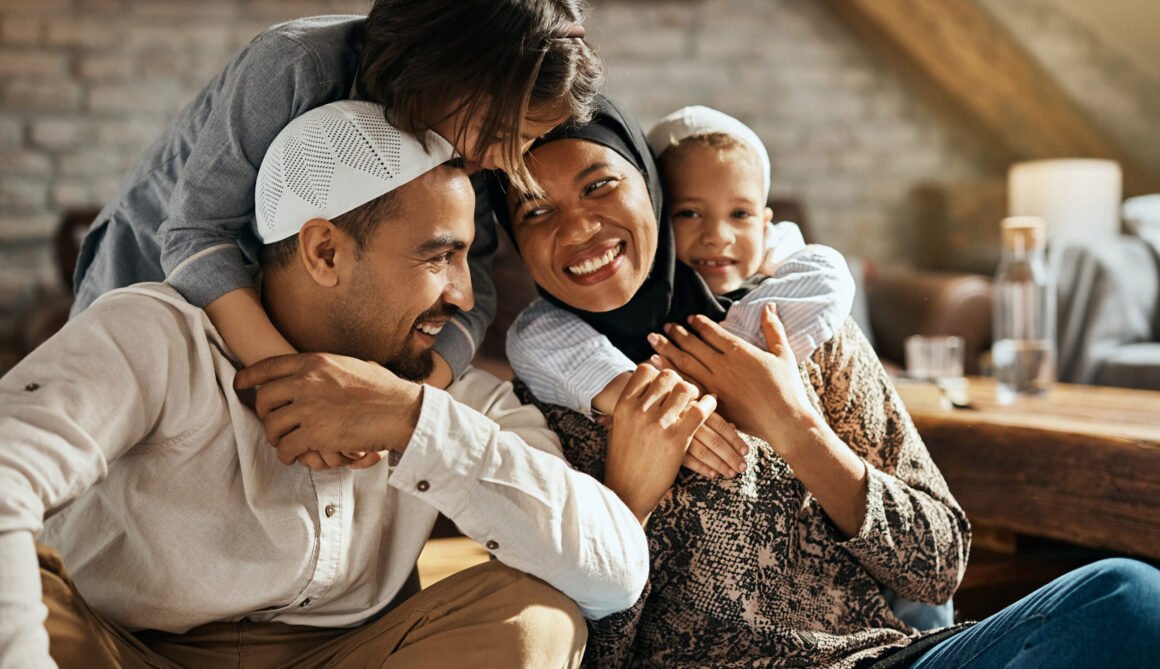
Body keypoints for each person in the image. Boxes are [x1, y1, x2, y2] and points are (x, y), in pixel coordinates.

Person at [486, 97, 1160, 667]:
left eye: (600, 186)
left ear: (651, 190)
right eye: (535, 211)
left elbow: (940, 565)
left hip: (882, 657)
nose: (577, 226)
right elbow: (573, 651)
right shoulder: (536, 407)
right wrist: (625, 501)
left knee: (1128, 598)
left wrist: (796, 426)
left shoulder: (802, 326)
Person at [0, 101, 655, 668]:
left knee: (537, 615)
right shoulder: (156, 332)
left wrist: (412, 420)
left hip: (349, 652)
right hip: (118, 646)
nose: (463, 296)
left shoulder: (441, 385)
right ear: (324, 252)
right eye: (438, 256)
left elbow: (617, 573)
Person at [69, 1, 602, 441]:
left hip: (274, 308)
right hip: (156, 258)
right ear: (444, 67)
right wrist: (298, 390)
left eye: (525, 141)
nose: (500, 158)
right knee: (113, 436)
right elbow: (196, 235)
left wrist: (406, 402)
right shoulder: (295, 64)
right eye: (493, 129)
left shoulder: (476, 144)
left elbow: (475, 287)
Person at [501, 104, 856, 481]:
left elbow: (825, 272)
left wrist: (725, 362)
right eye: (688, 213)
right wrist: (645, 398)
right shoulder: (549, 344)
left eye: (598, 186)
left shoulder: (797, 308)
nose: (718, 236)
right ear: (662, 207)